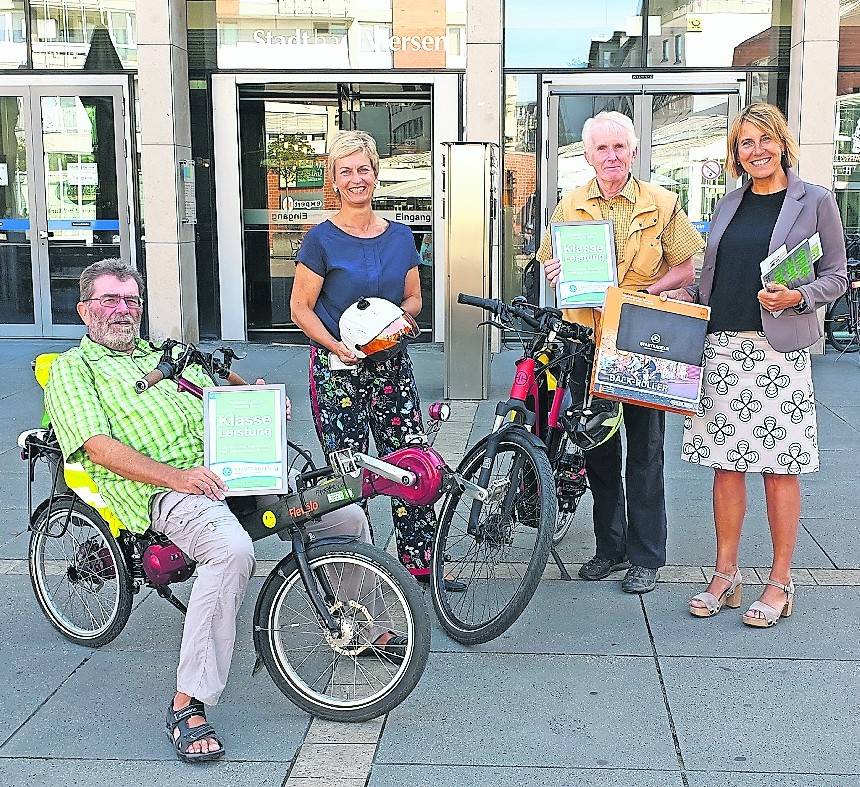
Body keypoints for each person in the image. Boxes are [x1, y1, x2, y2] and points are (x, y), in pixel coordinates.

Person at [45, 259, 403, 763]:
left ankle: (356, 628)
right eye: (110, 299)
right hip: (162, 487)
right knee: (231, 550)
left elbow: (227, 395)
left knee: (343, 516)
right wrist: (178, 478)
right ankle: (188, 700)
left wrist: (259, 402)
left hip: (234, 472)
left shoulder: (166, 353)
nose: (122, 310)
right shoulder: (73, 370)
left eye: (131, 300)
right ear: (85, 309)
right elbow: (98, 448)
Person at [661, 104, 847, 626]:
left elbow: (836, 274)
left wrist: (799, 296)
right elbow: (713, 278)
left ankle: (780, 581)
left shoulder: (816, 201)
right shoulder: (728, 203)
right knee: (726, 469)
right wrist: (679, 300)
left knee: (778, 470)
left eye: (764, 139)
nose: (756, 150)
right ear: (736, 154)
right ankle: (726, 574)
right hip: (720, 349)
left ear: (782, 142)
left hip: (777, 355)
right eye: (746, 143)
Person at [290, 130, 463, 591]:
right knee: (350, 474)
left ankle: (419, 563)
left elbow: (414, 299)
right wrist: (333, 345)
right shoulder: (320, 240)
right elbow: (300, 308)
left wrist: (400, 322)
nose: (355, 179)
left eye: (362, 169)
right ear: (333, 179)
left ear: (376, 174)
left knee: (409, 465)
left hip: (391, 366)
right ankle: (359, 576)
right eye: (344, 171)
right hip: (338, 369)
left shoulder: (402, 237)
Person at [541, 111, 704, 594]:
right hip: (586, 341)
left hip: (640, 338)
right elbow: (552, 260)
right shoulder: (568, 206)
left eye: (619, 148)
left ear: (633, 152)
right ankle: (608, 549)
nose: (610, 156)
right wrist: (555, 270)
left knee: (646, 452)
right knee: (598, 451)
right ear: (588, 155)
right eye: (601, 149)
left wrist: (650, 289)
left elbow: (687, 270)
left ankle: (646, 555)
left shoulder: (662, 202)